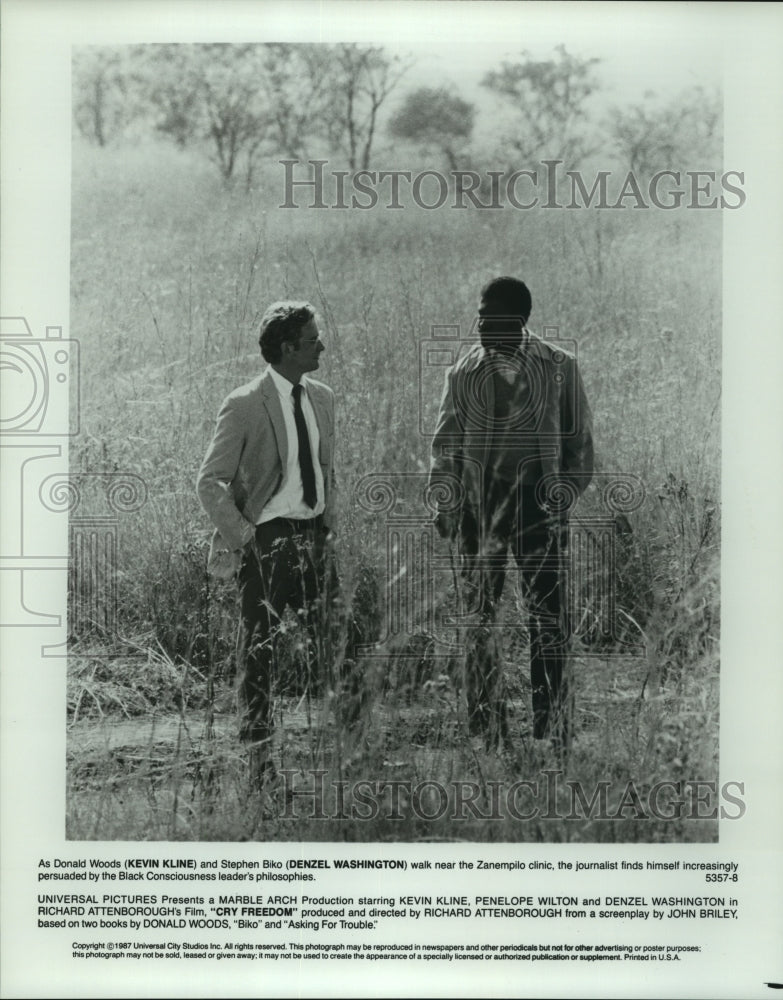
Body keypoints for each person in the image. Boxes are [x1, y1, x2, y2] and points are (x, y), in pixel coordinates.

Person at [428, 277, 593, 752]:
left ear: (521, 322)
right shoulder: (462, 373)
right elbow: (445, 447)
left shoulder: (560, 367)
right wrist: (446, 503)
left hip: (539, 508)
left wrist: (561, 498)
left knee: (549, 617)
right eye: (479, 318)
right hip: (480, 514)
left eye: (493, 320)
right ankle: (486, 728)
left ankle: (552, 727)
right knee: (478, 619)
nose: (482, 328)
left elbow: (579, 446)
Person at [196, 301, 346, 788]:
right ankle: (259, 759)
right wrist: (247, 538)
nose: (321, 344)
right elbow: (209, 481)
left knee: (345, 640)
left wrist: (327, 525)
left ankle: (350, 749)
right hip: (269, 539)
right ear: (288, 348)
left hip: (315, 535)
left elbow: (323, 469)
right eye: (313, 339)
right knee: (259, 650)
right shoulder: (244, 403)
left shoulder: (321, 396)